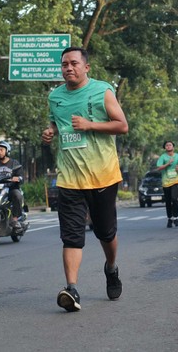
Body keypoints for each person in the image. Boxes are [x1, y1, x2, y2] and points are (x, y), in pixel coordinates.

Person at [41, 46, 128, 312]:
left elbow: (122, 125)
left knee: (105, 232)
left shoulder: (102, 91)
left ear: (86, 67)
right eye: (64, 64)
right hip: (69, 178)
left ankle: (111, 267)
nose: (68, 68)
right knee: (71, 237)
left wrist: (90, 125)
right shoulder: (55, 96)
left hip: (103, 176)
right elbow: (56, 122)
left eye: (74, 63)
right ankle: (72, 288)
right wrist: (50, 131)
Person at [156, 141, 178, 228]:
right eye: (167, 145)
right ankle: (170, 219)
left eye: (170, 145)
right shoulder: (162, 157)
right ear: (165, 148)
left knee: (174, 198)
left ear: (173, 147)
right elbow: (159, 168)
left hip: (176, 181)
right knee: (168, 201)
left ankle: (175, 218)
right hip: (166, 182)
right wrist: (168, 163)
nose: (168, 146)